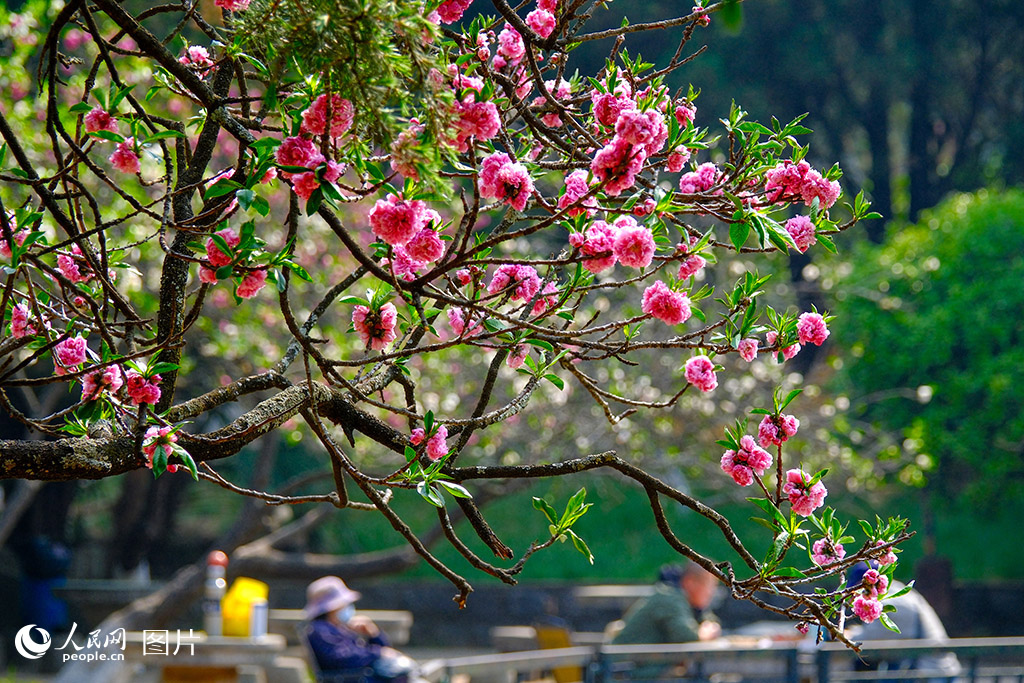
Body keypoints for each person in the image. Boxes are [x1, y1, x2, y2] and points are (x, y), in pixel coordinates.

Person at [847, 562, 961, 681]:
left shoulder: (895, 602)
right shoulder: (899, 593)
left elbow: (868, 640)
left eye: (857, 589)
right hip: (931, 670)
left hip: (931, 674)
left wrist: (849, 635)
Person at [303, 576, 416, 683]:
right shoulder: (320, 630)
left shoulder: (341, 629)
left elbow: (386, 650)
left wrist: (373, 634)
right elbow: (341, 658)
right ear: (333, 607)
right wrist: (377, 653)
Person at [611, 563, 722, 645]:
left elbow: (709, 619)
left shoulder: (684, 600)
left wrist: (709, 626)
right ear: (690, 582)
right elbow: (687, 637)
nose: (711, 592)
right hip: (624, 669)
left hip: (639, 666)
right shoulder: (670, 598)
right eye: (709, 586)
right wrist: (705, 634)